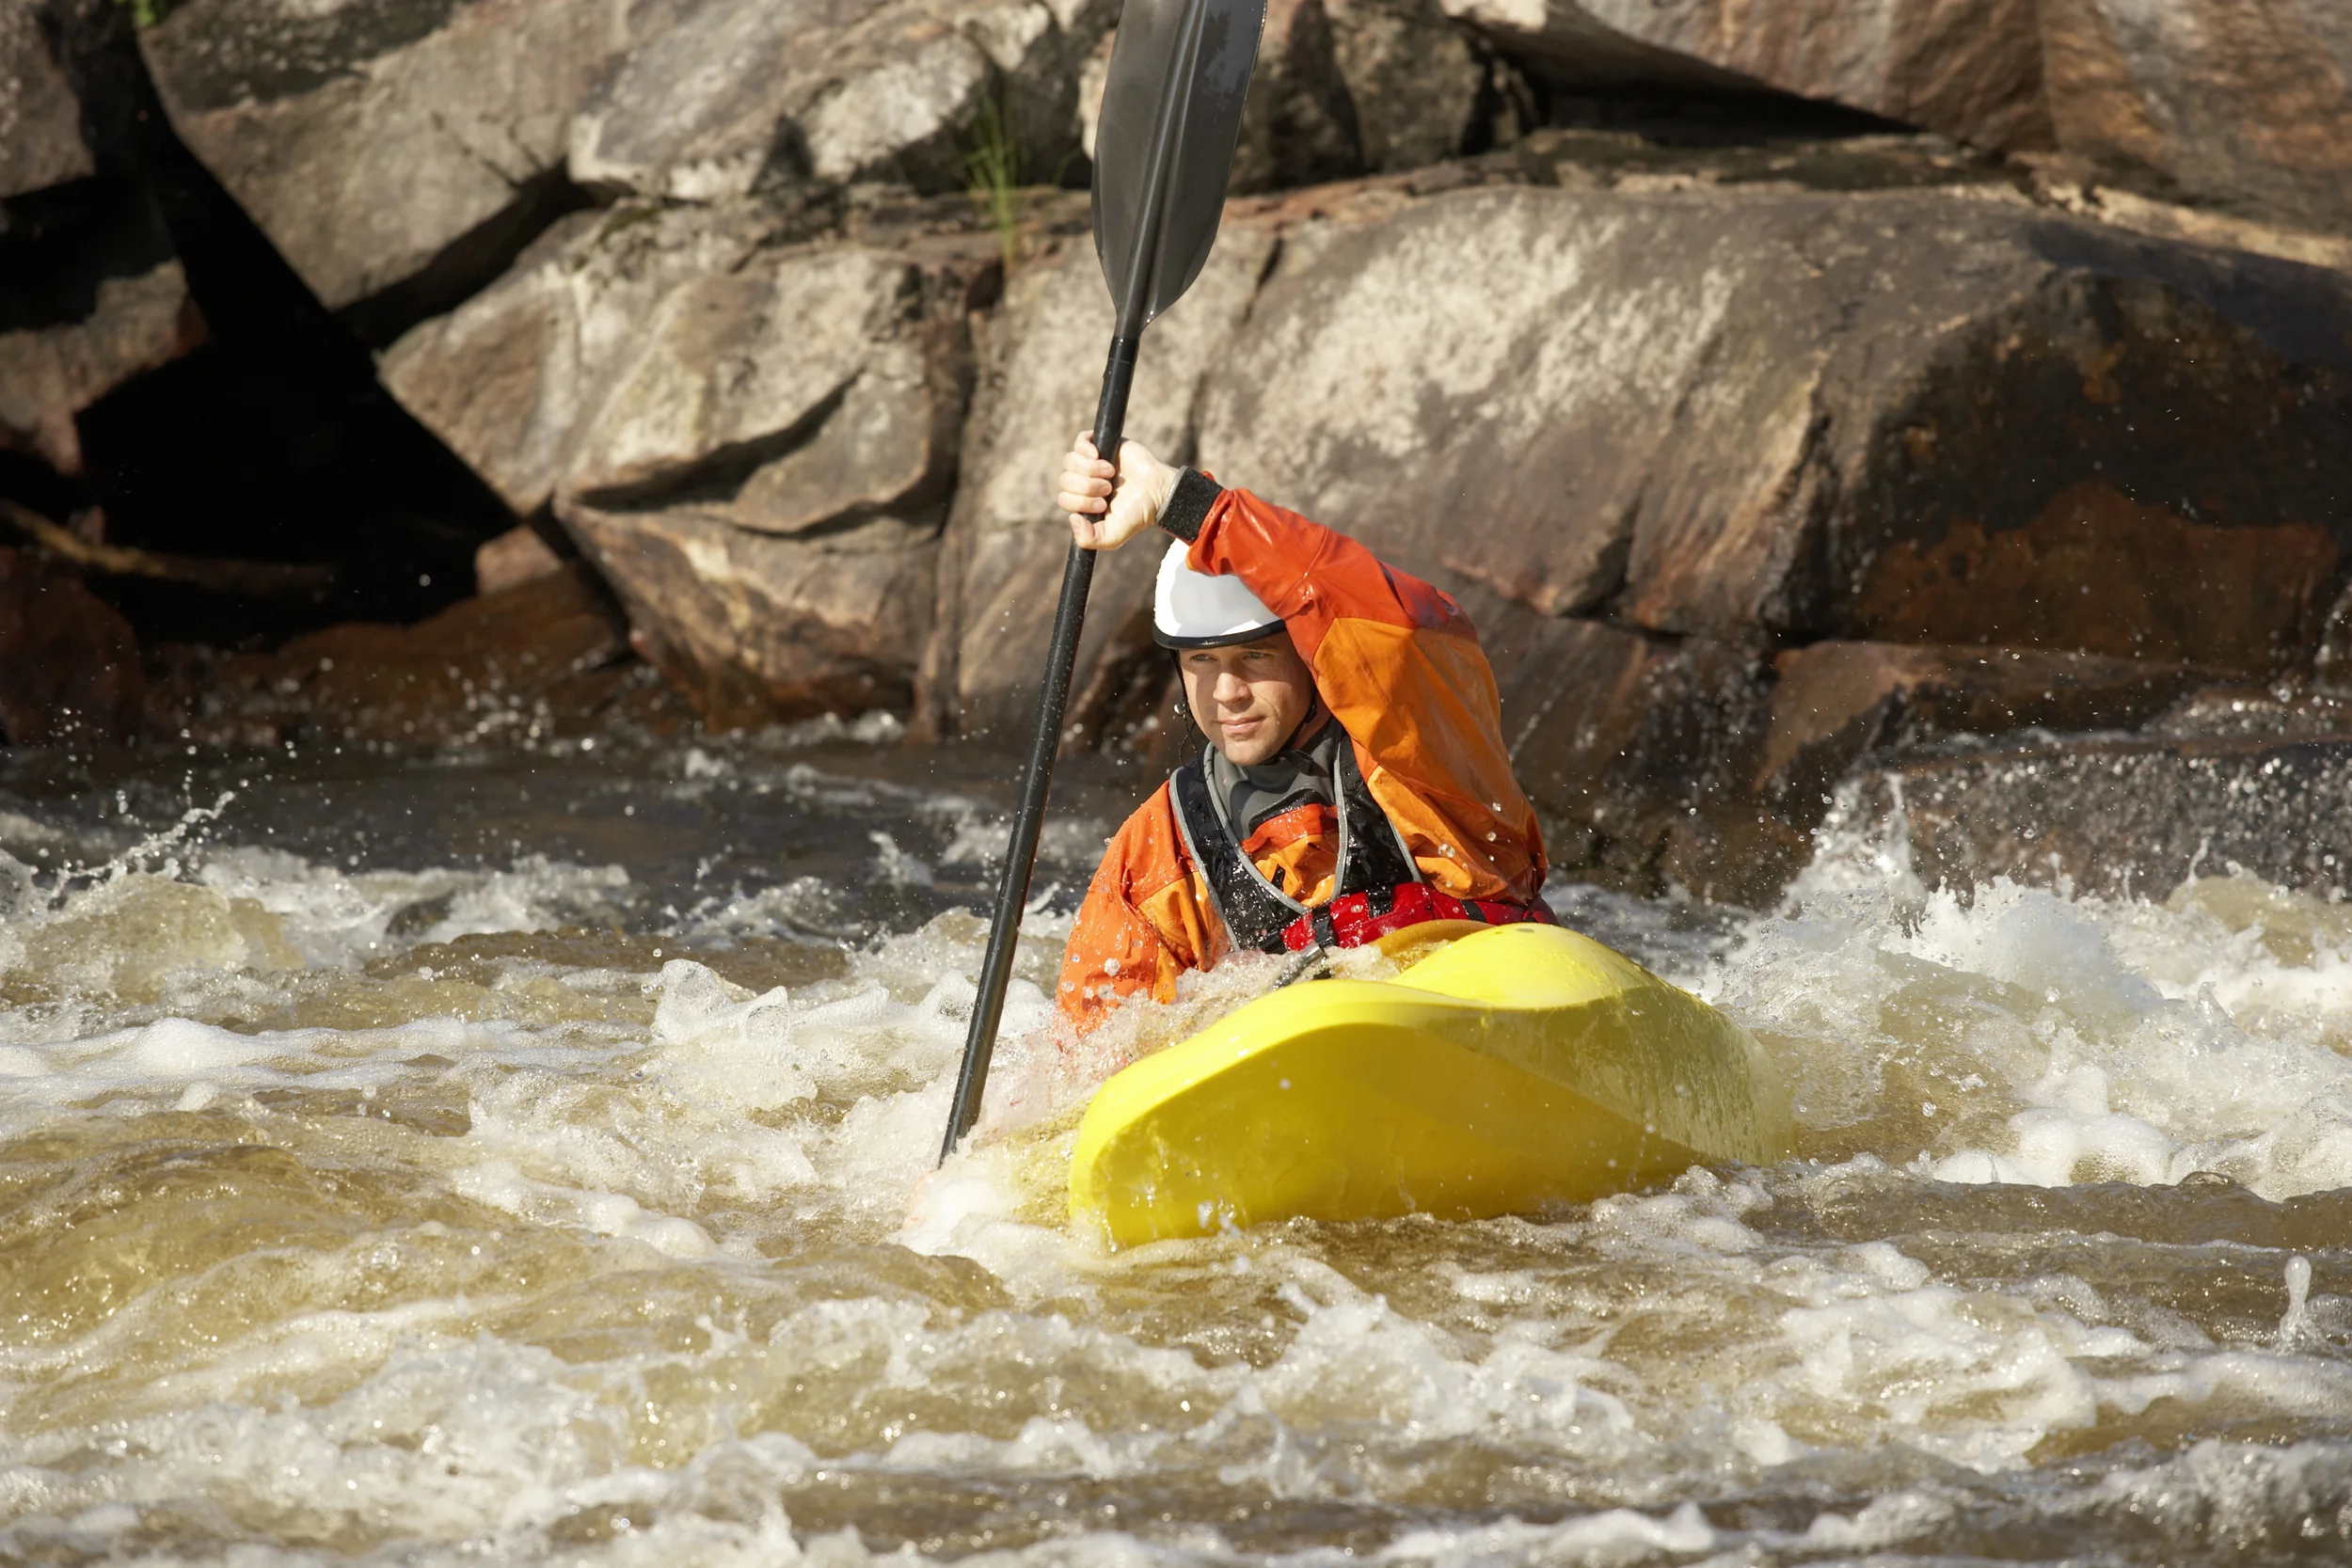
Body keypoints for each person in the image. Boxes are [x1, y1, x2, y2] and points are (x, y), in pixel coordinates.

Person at [1052, 434, 1554, 1035]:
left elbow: (1387, 625)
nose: (1227, 692)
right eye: (1202, 664)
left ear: (1307, 650)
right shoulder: (1163, 844)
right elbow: (1094, 1046)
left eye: (1256, 659)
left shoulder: (1415, 750)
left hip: (1489, 1028)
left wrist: (1185, 505)